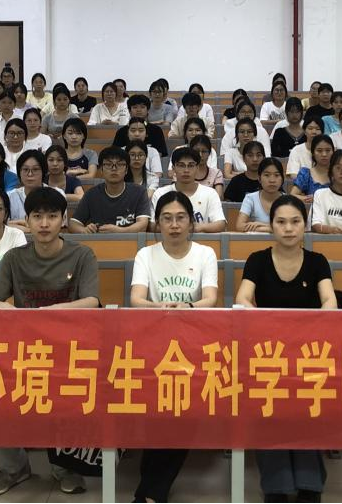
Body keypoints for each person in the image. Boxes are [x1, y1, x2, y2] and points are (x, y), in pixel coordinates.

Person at [0, 187, 98, 497]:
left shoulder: (82, 255)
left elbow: (91, 301)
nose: (44, 224)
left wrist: (48, 313)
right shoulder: (14, 257)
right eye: (37, 217)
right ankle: (13, 467)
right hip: (23, 348)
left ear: (63, 220)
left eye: (52, 216)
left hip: (69, 349)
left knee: (70, 388)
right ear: (27, 221)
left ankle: (65, 466)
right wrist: (7, 309)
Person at [235, 193, 335, 504]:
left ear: (305, 225)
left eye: (295, 222)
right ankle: (276, 486)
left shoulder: (317, 261)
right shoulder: (257, 260)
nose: (288, 228)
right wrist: (267, 324)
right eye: (281, 222)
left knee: (308, 408)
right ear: (271, 225)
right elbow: (242, 299)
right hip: (269, 354)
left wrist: (312, 327)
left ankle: (309, 484)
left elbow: (329, 301)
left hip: (309, 354)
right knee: (270, 408)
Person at [129, 190, 218, 504]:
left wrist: (186, 308)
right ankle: (152, 492)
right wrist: (163, 308)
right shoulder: (146, 255)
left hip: (194, 344)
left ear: (191, 222)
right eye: (167, 218)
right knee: (157, 413)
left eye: (181, 218)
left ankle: (150, 493)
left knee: (183, 413)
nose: (175, 225)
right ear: (158, 223)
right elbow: (136, 299)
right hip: (153, 343)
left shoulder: (205, 254)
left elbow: (210, 299)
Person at [68, 147, 151, 233]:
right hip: (99, 240)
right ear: (101, 170)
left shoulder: (139, 192)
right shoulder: (91, 194)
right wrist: (85, 230)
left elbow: (143, 225)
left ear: (126, 170)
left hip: (130, 241)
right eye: (108, 164)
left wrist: (119, 231)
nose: (114, 168)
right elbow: (73, 224)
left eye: (119, 164)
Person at [151, 147, 227, 233]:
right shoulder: (160, 193)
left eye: (191, 166)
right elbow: (152, 225)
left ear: (197, 168)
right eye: (181, 165)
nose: (186, 170)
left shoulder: (210, 193)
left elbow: (221, 224)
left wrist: (198, 227)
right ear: (173, 168)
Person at [7, 150, 65, 230]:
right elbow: (3, 226)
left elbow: (62, 226)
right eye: (25, 169)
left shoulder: (57, 194)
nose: (30, 174)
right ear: (19, 172)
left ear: (43, 172)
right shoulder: (10, 196)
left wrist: (28, 228)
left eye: (35, 169)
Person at [235, 158, 286, 232]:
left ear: (282, 179)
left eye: (276, 175)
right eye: (267, 175)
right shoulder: (250, 198)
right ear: (259, 179)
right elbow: (240, 226)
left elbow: (290, 227)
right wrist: (272, 228)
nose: (272, 180)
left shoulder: (288, 200)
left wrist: (262, 225)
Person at [290, 135, 334, 205]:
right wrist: (307, 198)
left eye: (328, 150)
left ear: (333, 151)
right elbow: (292, 195)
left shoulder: (338, 173)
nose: (324, 154)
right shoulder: (306, 173)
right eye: (319, 151)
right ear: (313, 153)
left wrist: (318, 198)